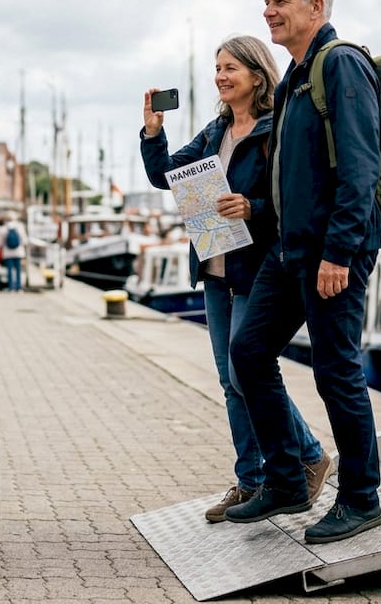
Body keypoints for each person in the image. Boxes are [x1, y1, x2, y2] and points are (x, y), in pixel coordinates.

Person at [222, 0, 381, 545]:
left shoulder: (339, 65)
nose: (268, 10)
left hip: (331, 253)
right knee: (249, 351)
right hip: (290, 251)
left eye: (281, 0)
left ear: (316, 7)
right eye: (267, 1)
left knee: (336, 372)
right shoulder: (295, 75)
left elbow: (361, 168)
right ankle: (288, 481)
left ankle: (362, 500)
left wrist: (339, 252)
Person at [139, 34, 331, 523]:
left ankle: (308, 455)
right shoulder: (215, 131)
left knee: (249, 373)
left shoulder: (275, 129)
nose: (220, 77)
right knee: (230, 381)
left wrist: (253, 207)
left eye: (230, 68)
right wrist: (153, 133)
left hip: (256, 268)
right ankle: (250, 479)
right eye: (218, 68)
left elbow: (292, 199)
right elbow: (165, 176)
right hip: (214, 266)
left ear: (257, 76)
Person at [0, 212, 26, 292]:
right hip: (18, 251)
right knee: (18, 269)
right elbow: (24, 239)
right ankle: (18, 287)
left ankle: (11, 287)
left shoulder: (3, 228)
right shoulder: (20, 226)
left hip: (7, 252)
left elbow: (0, 241)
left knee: (9, 270)